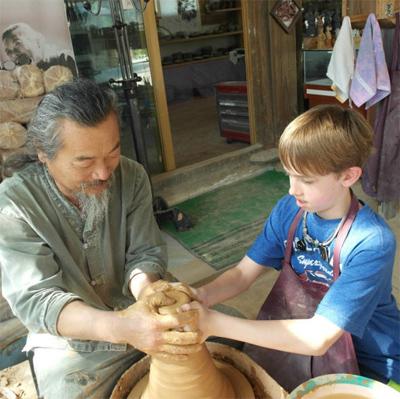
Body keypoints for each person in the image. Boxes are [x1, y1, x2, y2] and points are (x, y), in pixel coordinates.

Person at [0, 79, 199, 398]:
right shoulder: (15, 205)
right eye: (85, 161)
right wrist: (122, 328)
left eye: (113, 152)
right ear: (43, 154)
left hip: (136, 308)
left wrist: (149, 296)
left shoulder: (131, 175)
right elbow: (39, 300)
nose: (105, 173)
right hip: (75, 337)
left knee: (226, 335)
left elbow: (144, 253)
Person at [182, 105, 400, 392]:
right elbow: (242, 275)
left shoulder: (370, 240)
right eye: (289, 175)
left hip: (370, 361)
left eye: (306, 180)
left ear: (348, 176)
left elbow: (318, 337)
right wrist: (200, 296)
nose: (292, 189)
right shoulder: (289, 211)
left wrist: (212, 324)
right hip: (298, 346)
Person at [1, 22, 77, 74]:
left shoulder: (65, 59)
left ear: (37, 41)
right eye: (8, 52)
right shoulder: (20, 75)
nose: (14, 55)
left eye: (17, 44)